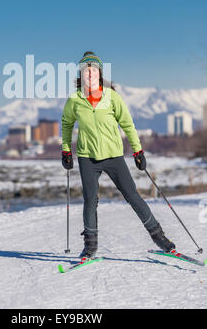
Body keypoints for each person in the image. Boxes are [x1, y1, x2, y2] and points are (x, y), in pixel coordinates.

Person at [61, 51, 175, 259]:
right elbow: (67, 124)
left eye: (94, 69)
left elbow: (128, 124)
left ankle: (160, 238)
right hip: (87, 157)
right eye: (86, 70)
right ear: (81, 74)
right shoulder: (74, 100)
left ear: (100, 73)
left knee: (132, 196)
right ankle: (90, 246)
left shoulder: (112, 96)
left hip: (113, 155)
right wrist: (66, 149)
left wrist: (137, 150)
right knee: (90, 201)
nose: (90, 73)